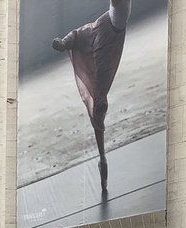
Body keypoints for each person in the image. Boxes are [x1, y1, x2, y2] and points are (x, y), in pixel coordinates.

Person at [51, 0, 133, 199]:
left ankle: (102, 159)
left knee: (98, 102)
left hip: (109, 39)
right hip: (102, 25)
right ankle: (102, 159)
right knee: (79, 34)